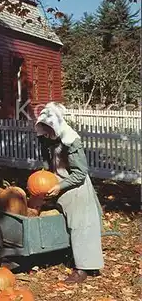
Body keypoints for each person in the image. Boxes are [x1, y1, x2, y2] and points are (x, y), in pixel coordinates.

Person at [35, 102, 104, 284]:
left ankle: (83, 268)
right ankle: (63, 253)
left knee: (80, 225)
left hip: (76, 186)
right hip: (56, 185)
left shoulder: (71, 140)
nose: (47, 131)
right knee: (59, 221)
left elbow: (80, 173)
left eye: (50, 127)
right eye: (45, 127)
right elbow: (47, 163)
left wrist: (60, 185)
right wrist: (45, 179)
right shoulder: (45, 139)